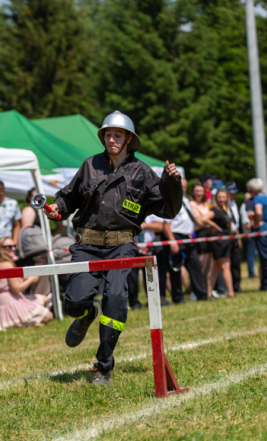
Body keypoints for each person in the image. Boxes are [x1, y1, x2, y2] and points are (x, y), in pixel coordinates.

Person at [43, 110, 182, 386]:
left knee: (116, 303)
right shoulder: (90, 165)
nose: (111, 139)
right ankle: (86, 315)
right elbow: (69, 198)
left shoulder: (142, 172)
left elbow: (169, 209)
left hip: (122, 247)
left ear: (129, 139)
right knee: (74, 303)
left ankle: (104, 365)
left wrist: (172, 183)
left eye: (117, 135)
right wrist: (57, 209)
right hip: (87, 245)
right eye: (108, 134)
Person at [160, 177, 208, 302]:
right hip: (175, 237)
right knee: (176, 269)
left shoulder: (186, 200)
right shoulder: (169, 201)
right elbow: (165, 225)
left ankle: (201, 295)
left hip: (187, 238)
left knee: (195, 266)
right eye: (181, 186)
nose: (183, 188)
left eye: (185, 186)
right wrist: (172, 242)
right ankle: (178, 298)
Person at [0, 237, 52, 329]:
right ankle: (29, 323)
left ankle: (30, 323)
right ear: (1, 249)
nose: (13, 249)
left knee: (43, 298)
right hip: (12, 302)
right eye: (9, 247)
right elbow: (16, 289)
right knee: (49, 316)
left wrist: (24, 279)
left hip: (12, 299)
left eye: (14, 246)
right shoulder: (7, 265)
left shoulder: (2, 263)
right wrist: (31, 279)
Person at [247, 178, 267, 290]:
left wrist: (256, 224)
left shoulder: (257, 200)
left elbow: (259, 211)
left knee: (266, 259)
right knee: (265, 258)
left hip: (262, 232)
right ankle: (265, 284)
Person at [206, 189, 235, 298]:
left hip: (224, 241)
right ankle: (231, 293)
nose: (221, 199)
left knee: (215, 268)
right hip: (219, 242)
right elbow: (204, 218)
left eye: (223, 197)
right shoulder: (215, 210)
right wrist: (215, 226)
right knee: (226, 266)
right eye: (219, 197)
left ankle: (208, 294)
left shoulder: (224, 210)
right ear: (215, 198)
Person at [189, 182, 216, 272]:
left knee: (211, 263)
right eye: (196, 191)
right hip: (201, 234)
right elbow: (200, 222)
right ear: (193, 192)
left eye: (201, 191)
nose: (199, 193)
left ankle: (208, 285)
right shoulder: (192, 204)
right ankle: (199, 283)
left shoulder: (206, 203)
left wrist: (206, 220)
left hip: (210, 232)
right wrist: (210, 221)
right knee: (202, 264)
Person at [224, 181, 243, 293]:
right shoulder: (222, 204)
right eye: (231, 193)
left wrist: (238, 237)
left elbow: (236, 223)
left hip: (234, 235)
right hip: (226, 236)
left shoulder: (234, 204)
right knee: (227, 263)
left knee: (236, 261)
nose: (233, 195)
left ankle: (237, 285)